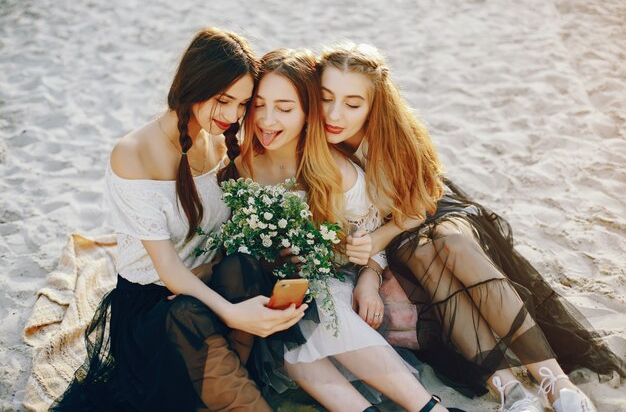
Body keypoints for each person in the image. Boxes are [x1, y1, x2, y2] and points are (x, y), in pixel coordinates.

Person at [317, 42, 626, 412]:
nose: (335, 114)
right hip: (398, 236)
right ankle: (508, 388)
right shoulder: (320, 145)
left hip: (429, 211)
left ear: (374, 105)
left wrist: (375, 240)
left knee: (453, 246)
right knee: (431, 266)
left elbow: (419, 206)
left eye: (352, 104)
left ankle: (554, 381)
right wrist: (372, 255)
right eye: (326, 98)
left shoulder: (395, 136)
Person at [50, 28, 308, 412]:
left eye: (242, 104)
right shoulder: (134, 153)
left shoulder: (221, 138)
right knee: (188, 314)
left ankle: (220, 386)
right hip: (155, 307)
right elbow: (169, 269)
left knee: (244, 267)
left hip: (209, 283)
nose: (233, 115)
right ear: (193, 85)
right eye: (223, 100)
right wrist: (233, 312)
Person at [225, 47, 465, 412]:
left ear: (308, 114)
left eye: (285, 109)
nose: (267, 120)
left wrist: (369, 276)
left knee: (323, 309)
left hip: (335, 280)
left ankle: (427, 408)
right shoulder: (243, 167)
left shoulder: (334, 170)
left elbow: (373, 232)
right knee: (290, 339)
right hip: (277, 290)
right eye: (258, 104)